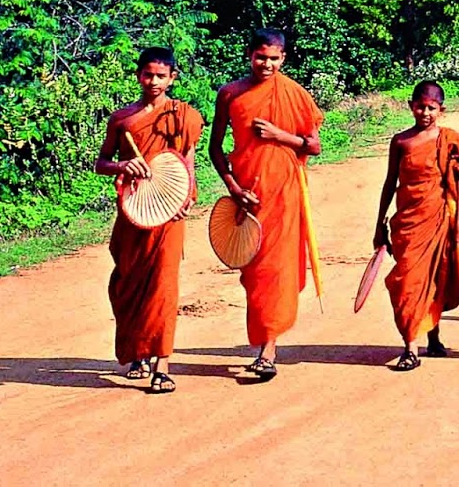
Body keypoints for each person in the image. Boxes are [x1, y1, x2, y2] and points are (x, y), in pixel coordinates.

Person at [209, 29, 324, 380]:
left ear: (283, 59)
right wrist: (233, 187)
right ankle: (263, 341)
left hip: (285, 194)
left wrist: (280, 136)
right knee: (254, 273)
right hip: (247, 193)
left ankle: (267, 350)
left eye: (274, 58)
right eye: (261, 57)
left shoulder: (294, 94)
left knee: (275, 270)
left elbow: (314, 146)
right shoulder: (231, 94)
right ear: (249, 55)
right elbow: (215, 148)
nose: (267, 64)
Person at [94, 47, 205, 394]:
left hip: (170, 212)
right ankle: (138, 352)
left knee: (163, 286)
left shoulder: (183, 115)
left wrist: (186, 196)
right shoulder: (122, 120)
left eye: (161, 75)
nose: (154, 81)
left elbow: (187, 160)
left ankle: (163, 364)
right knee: (128, 283)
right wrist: (122, 166)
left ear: (173, 77)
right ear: (138, 75)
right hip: (133, 211)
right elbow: (101, 162)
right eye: (148, 74)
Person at [373, 80, 459, 370]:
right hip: (407, 222)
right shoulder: (401, 141)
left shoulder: (451, 140)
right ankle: (410, 345)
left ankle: (430, 338)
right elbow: (390, 182)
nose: (425, 113)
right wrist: (379, 223)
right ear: (410, 106)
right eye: (420, 107)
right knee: (407, 282)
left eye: (431, 108)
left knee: (436, 279)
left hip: (440, 219)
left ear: (441, 110)